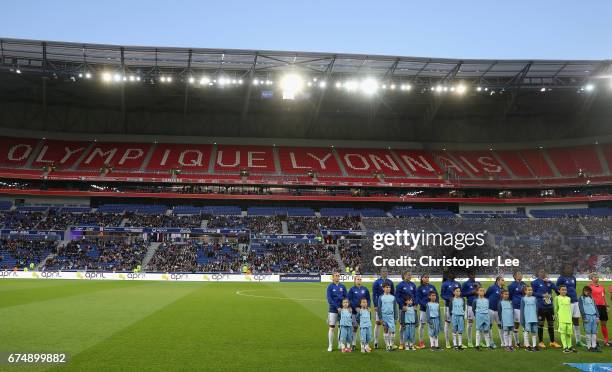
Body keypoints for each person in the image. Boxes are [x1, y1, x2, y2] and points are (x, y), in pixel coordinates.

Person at [556, 264, 584, 347]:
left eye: (571, 268)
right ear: (564, 269)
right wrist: (563, 298)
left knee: (576, 320)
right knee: (568, 322)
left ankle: (578, 340)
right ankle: (567, 342)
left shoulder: (573, 278)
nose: (570, 269)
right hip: (567, 303)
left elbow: (574, 288)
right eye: (567, 268)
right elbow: (557, 289)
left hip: (575, 301)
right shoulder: (561, 278)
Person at [531, 268, 561, 349]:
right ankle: (540, 342)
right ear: (538, 273)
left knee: (551, 324)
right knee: (540, 324)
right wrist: (542, 295)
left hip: (550, 307)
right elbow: (532, 293)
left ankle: (552, 342)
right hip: (541, 306)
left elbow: (557, 290)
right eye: (541, 272)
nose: (542, 273)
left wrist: (550, 282)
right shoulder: (534, 282)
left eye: (544, 272)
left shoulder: (549, 282)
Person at [372, 268, 394, 349]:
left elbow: (393, 294)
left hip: (388, 307)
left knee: (387, 325)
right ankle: (376, 341)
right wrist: (375, 305)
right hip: (379, 306)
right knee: (378, 324)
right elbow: (374, 295)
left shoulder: (390, 282)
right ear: (380, 273)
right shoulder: (376, 282)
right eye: (383, 271)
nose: (385, 273)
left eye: (386, 271)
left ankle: (388, 343)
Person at [348, 275, 371, 351]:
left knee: (364, 328)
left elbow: (368, 299)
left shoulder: (365, 289)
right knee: (354, 327)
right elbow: (349, 300)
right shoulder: (352, 289)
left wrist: (368, 306)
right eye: (358, 279)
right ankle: (353, 343)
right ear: (355, 280)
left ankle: (365, 344)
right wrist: (355, 307)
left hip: (364, 312)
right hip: (355, 312)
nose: (359, 280)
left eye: (360, 279)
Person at [395, 271, 417, 350]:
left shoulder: (413, 285)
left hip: (412, 308)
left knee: (412, 325)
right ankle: (401, 343)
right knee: (402, 325)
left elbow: (415, 295)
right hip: (403, 308)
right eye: (408, 275)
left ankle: (412, 343)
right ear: (404, 276)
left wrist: (415, 304)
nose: (410, 276)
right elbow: (397, 297)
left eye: (410, 275)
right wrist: (402, 305)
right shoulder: (400, 285)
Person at [326, 271, 347, 352]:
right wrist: (337, 307)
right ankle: (330, 345)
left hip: (342, 310)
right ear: (333, 277)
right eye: (336, 276)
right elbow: (329, 299)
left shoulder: (343, 286)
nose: (337, 277)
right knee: (331, 327)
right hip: (333, 310)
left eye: (338, 276)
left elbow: (346, 297)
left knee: (340, 327)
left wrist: (345, 306)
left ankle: (340, 343)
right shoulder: (330, 287)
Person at [416, 274, 438, 349]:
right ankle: (421, 341)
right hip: (424, 310)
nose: (427, 278)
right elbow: (418, 299)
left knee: (431, 325)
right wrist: (426, 305)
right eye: (425, 277)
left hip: (432, 310)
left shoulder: (432, 287)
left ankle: (433, 342)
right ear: (422, 279)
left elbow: (436, 296)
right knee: (422, 325)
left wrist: (435, 305)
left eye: (428, 277)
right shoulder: (419, 288)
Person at [441, 272, 462, 349]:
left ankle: (456, 342)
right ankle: (447, 341)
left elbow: (461, 294)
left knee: (456, 324)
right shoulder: (445, 283)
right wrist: (450, 299)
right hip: (448, 306)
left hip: (457, 307)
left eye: (454, 273)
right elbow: (442, 294)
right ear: (449, 275)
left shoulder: (458, 283)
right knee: (447, 323)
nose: (453, 274)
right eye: (451, 273)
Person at [588, 273, 609, 347]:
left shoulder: (601, 287)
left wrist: (606, 306)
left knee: (604, 324)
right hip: (595, 307)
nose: (597, 278)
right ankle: (595, 341)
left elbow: (603, 296)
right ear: (591, 278)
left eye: (597, 277)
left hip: (602, 307)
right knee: (595, 325)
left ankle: (606, 341)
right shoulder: (589, 287)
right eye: (595, 277)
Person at [578, 286, 601, 352]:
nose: (588, 292)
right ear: (584, 291)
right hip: (587, 316)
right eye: (586, 291)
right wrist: (584, 317)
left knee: (594, 332)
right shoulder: (581, 298)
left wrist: (597, 316)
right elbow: (581, 308)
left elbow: (595, 307)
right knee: (588, 332)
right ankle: (589, 347)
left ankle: (594, 346)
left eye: (589, 291)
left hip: (594, 316)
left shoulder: (592, 298)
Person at [461, 272, 480, 347]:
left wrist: (478, 291)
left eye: (474, 274)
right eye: (471, 274)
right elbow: (462, 294)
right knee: (470, 323)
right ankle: (469, 340)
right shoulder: (465, 284)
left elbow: (482, 291)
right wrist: (471, 292)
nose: (473, 276)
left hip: (479, 306)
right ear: (468, 275)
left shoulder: (478, 283)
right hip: (470, 306)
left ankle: (479, 341)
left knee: (480, 323)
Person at [555, 284, 576, 353]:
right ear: (559, 291)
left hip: (569, 319)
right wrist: (557, 317)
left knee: (569, 333)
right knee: (563, 333)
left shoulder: (568, 298)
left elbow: (569, 309)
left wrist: (570, 317)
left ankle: (569, 346)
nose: (564, 291)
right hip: (562, 319)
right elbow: (556, 308)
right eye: (562, 290)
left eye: (565, 290)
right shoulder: (557, 298)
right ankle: (565, 347)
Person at [485, 276, 504, 348]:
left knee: (500, 326)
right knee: (489, 326)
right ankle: (491, 342)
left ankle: (503, 342)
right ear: (498, 281)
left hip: (498, 310)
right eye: (502, 280)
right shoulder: (492, 287)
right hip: (491, 309)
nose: (504, 281)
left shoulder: (502, 289)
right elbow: (486, 296)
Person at [508, 271, 526, 347]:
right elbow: (510, 296)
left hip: (524, 307)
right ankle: (517, 342)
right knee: (516, 324)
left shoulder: (524, 284)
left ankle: (526, 342)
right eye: (518, 275)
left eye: (521, 274)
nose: (520, 276)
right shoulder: (511, 285)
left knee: (525, 325)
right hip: (516, 307)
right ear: (514, 276)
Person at [377, 282, 398, 352]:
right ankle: (387, 345)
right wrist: (380, 318)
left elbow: (395, 308)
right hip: (384, 316)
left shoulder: (393, 297)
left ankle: (391, 344)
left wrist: (395, 318)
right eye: (386, 287)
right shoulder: (381, 297)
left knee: (393, 331)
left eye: (389, 287)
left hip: (391, 316)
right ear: (383, 288)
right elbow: (379, 308)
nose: (388, 288)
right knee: (385, 329)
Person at [520, 285, 539, 351]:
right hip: (527, 319)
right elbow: (522, 310)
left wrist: (537, 317)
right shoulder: (523, 299)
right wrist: (522, 319)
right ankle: (527, 346)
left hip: (534, 318)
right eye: (529, 290)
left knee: (534, 332)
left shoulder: (534, 298)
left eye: (531, 290)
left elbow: (536, 309)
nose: (530, 291)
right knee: (526, 332)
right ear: (525, 291)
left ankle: (534, 346)